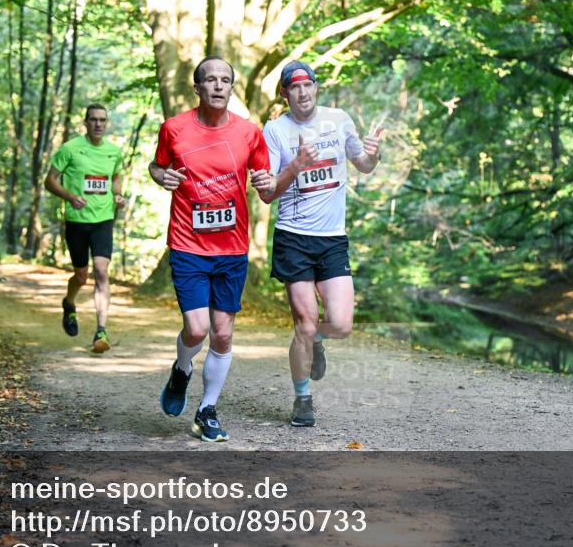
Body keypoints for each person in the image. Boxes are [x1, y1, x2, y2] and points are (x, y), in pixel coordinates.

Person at [149, 56, 275, 442]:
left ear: (231, 87)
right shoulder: (174, 128)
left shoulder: (249, 133)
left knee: (222, 335)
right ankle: (182, 368)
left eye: (225, 80)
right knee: (197, 328)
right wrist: (162, 176)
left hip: (232, 248)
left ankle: (208, 409)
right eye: (211, 80)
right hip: (188, 244)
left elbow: (266, 190)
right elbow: (156, 167)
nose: (218, 86)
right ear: (197, 87)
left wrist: (272, 180)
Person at [260, 60, 383, 427]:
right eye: (294, 88)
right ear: (285, 93)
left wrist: (373, 155)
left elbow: (361, 163)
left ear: (316, 87)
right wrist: (295, 165)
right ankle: (302, 399)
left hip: (332, 240)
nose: (302, 93)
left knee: (341, 324)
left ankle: (317, 341)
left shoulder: (339, 119)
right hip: (294, 238)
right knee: (304, 321)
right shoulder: (275, 131)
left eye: (307, 85)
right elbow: (267, 194)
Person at [44, 104, 125, 353]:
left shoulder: (114, 152)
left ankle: (101, 330)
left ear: (106, 123)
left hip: (103, 219)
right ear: (86, 122)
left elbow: (116, 177)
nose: (98, 124)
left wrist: (118, 195)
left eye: (102, 120)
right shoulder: (70, 149)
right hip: (77, 220)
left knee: (102, 271)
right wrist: (69, 196)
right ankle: (69, 303)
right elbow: (50, 181)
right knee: (81, 276)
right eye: (93, 120)